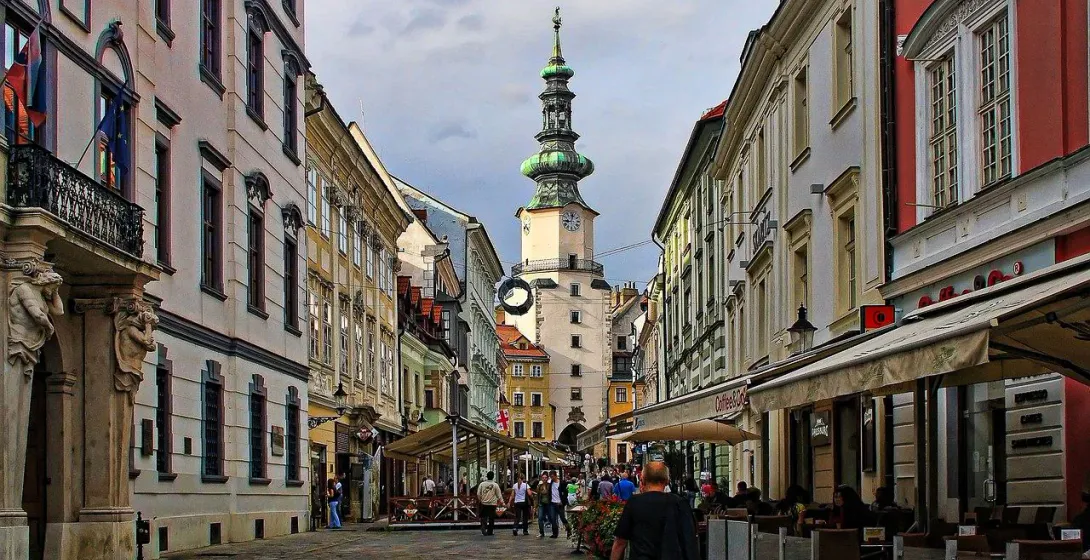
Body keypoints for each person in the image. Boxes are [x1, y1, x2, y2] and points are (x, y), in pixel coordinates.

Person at [611, 461, 699, 560]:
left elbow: (620, 542)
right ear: (667, 480)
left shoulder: (634, 503)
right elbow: (689, 541)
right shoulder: (680, 503)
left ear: (643, 479)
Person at [477, 471, 503, 536]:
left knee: (484, 517)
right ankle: (490, 531)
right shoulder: (495, 485)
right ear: (493, 477)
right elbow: (499, 495)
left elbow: (478, 494)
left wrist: (480, 500)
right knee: (491, 518)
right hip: (492, 504)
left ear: (487, 476)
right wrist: (502, 502)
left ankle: (483, 528)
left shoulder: (482, 484)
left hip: (484, 503)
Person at [536, 472, 557, 538]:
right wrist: (536, 505)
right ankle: (541, 532)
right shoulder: (539, 486)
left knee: (552, 518)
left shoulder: (550, 485)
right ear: (541, 478)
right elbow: (538, 496)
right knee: (540, 518)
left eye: (545, 477)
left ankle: (554, 532)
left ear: (547, 478)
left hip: (549, 504)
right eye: (543, 477)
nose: (544, 479)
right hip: (541, 503)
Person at [552, 471, 571, 538]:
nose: (551, 478)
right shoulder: (551, 483)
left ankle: (568, 529)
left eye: (552, 476)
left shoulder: (561, 483)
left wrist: (562, 501)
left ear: (555, 476)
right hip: (552, 503)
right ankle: (555, 533)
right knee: (553, 518)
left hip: (560, 504)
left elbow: (565, 493)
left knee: (562, 518)